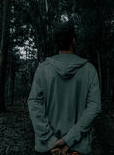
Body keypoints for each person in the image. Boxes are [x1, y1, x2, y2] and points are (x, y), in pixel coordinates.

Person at [27, 21, 101, 155]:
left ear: (56, 43)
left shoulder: (43, 69)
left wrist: (51, 141)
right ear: (73, 41)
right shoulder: (89, 70)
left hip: (48, 149)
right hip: (77, 148)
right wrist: (69, 140)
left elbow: (34, 104)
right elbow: (94, 107)